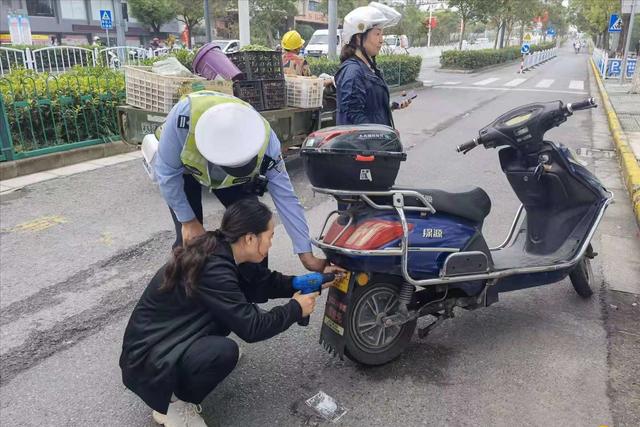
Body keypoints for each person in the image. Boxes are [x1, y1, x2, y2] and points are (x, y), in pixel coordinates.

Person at [120, 199, 338, 427]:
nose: (272, 242)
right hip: (148, 357)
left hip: (170, 334)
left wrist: (297, 282)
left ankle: (189, 367)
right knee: (223, 352)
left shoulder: (225, 248)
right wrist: (295, 308)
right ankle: (173, 405)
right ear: (250, 238)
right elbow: (252, 327)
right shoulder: (214, 268)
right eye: (270, 236)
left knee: (224, 331)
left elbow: (260, 282)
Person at [152, 90, 327, 272]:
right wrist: (188, 221)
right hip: (186, 172)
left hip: (239, 180)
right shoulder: (182, 122)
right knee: (190, 241)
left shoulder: (266, 140)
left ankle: (251, 292)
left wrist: (305, 253)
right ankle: (186, 292)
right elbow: (166, 174)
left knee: (253, 231)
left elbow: (286, 198)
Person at [334, 2, 411, 127]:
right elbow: (353, 117)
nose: (381, 39)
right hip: (364, 146)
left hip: (377, 143)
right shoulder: (353, 72)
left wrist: (392, 105)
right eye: (377, 34)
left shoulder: (368, 68)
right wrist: (381, 137)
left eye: (382, 34)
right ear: (359, 37)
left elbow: (370, 108)